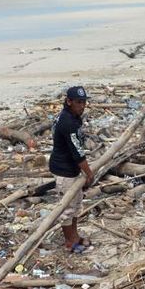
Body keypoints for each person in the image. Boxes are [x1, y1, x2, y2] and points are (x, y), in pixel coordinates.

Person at [49, 86, 94, 254]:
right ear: (69, 102)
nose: (82, 106)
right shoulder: (67, 122)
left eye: (84, 102)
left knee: (75, 204)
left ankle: (74, 236)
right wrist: (89, 174)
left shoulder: (74, 117)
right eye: (78, 102)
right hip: (63, 169)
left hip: (71, 168)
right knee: (67, 208)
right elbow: (78, 153)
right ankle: (69, 242)